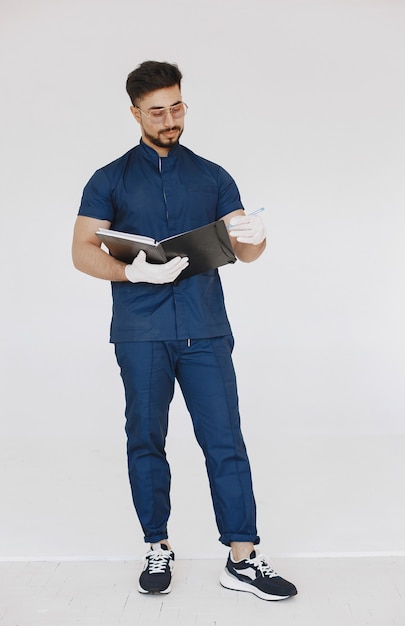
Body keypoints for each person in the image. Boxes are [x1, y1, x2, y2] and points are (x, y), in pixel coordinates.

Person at [72, 60, 297, 602]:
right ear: (134, 113)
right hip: (139, 332)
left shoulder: (214, 176)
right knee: (146, 440)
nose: (170, 119)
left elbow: (244, 252)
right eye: (157, 111)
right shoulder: (108, 179)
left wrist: (258, 235)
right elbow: (81, 251)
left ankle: (241, 558)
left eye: (177, 106)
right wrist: (131, 270)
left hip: (205, 328)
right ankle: (158, 545)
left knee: (225, 441)